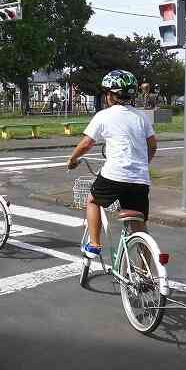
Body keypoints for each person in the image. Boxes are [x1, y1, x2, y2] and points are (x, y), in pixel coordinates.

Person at [67, 70, 157, 261]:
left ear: (109, 94)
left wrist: (72, 160)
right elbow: (152, 146)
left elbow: (86, 144)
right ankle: (147, 272)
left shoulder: (104, 116)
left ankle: (94, 244)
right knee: (138, 224)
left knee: (92, 200)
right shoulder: (141, 117)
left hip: (114, 176)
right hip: (140, 179)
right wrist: (142, 164)